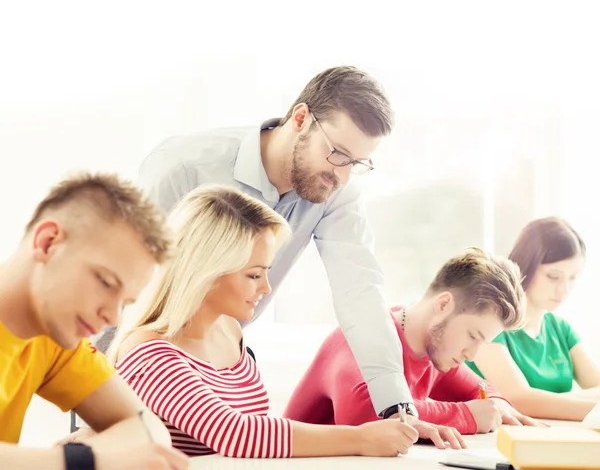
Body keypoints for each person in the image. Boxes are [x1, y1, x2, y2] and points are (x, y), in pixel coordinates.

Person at [94, 65, 448, 439]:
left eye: (357, 164)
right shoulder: (183, 167)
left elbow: (359, 289)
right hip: (140, 368)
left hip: (225, 363)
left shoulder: (335, 191)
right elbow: (123, 284)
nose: (342, 176)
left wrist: (398, 408)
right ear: (301, 119)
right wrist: (95, 404)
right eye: (339, 154)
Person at [106, 185, 419, 458]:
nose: (266, 288)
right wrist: (361, 438)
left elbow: (259, 434)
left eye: (266, 271)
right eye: (254, 275)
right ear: (205, 272)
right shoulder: (148, 353)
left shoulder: (228, 329)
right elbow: (234, 433)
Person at [0, 172, 188, 470]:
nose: (112, 317)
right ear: (48, 242)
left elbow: (148, 431)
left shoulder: (55, 339)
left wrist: (94, 451)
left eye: (125, 303)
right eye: (105, 282)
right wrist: (86, 459)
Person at [283, 248, 539, 446]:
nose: (471, 354)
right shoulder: (364, 333)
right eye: (472, 335)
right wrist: (465, 415)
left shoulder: (437, 352)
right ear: (443, 305)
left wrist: (494, 404)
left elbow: (482, 391)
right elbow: (366, 413)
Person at [467, 217, 600, 421]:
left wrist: (548, 401)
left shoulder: (560, 329)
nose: (564, 289)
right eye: (553, 277)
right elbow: (517, 399)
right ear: (525, 267)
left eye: (572, 278)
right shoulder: (492, 323)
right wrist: (572, 403)